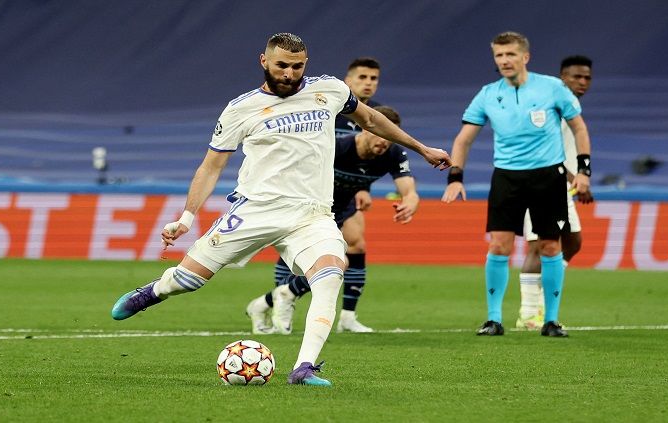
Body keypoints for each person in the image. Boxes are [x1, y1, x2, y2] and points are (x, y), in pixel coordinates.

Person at [110, 33, 451, 386]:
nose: (290, 73)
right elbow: (211, 166)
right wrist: (187, 217)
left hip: (311, 214)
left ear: (307, 63)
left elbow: (372, 120)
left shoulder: (329, 90)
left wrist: (422, 148)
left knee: (332, 273)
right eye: (282, 65)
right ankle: (153, 292)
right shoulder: (241, 108)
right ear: (264, 61)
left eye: (297, 66)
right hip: (255, 210)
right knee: (188, 281)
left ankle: (304, 367)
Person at [441, 32, 592, 338]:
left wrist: (585, 170)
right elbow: (464, 139)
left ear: (525, 57)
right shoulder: (487, 93)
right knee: (499, 245)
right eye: (499, 55)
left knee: (551, 246)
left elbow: (579, 127)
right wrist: (455, 177)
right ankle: (493, 319)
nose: (504, 61)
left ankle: (551, 320)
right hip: (506, 178)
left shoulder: (552, 88)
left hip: (548, 177)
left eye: (510, 54)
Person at [246, 105, 419, 335]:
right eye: (379, 133)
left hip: (337, 210)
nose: (384, 141)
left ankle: (270, 302)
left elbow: (409, 190)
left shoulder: (394, 154)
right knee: (332, 262)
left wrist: (410, 202)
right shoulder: (337, 147)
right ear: (364, 129)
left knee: (352, 250)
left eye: (389, 135)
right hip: (307, 207)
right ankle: (281, 297)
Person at [517, 55, 595, 330]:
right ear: (563, 77)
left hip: (562, 186)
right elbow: (542, 147)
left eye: (587, 77)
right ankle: (529, 313)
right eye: (576, 76)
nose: (582, 82)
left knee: (572, 243)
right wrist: (577, 177)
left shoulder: (570, 107)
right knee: (539, 245)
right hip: (538, 182)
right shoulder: (551, 106)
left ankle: (542, 295)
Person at [335, 57, 382, 136]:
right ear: (348, 80)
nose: (368, 82)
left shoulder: (380, 114)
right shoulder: (332, 109)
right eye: (362, 77)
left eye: (373, 78)